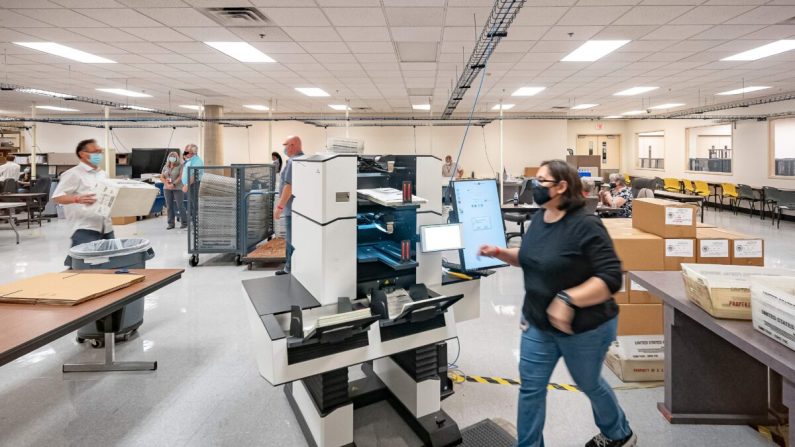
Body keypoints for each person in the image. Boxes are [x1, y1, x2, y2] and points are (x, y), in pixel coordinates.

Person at [478, 160, 636, 447]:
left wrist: (568, 298)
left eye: (542, 181)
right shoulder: (541, 217)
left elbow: (611, 277)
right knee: (531, 389)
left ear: (562, 187)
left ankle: (619, 432)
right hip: (538, 323)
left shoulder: (586, 225)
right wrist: (501, 253)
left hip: (585, 327)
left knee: (589, 383)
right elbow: (531, 256)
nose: (535, 187)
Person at [52, 139, 114, 265]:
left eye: (100, 151)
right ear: (82, 154)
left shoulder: (103, 174)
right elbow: (57, 197)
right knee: (82, 267)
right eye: (95, 152)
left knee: (109, 264)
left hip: (106, 226)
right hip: (84, 227)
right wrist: (77, 198)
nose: (99, 154)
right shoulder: (73, 174)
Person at [273, 136, 304, 276]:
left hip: (291, 208)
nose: (284, 148)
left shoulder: (293, 162)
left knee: (292, 240)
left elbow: (289, 186)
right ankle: (293, 267)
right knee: (295, 239)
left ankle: (290, 269)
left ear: (293, 145)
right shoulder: (303, 159)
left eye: (285, 145)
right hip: (298, 208)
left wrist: (279, 207)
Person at [161, 150, 188, 230]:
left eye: (174, 156)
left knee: (180, 205)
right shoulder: (165, 166)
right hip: (167, 188)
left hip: (177, 188)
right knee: (169, 206)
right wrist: (167, 184)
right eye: (171, 156)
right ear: (168, 158)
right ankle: (171, 224)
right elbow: (162, 177)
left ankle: (184, 223)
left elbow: (180, 177)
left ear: (177, 158)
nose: (172, 158)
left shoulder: (180, 165)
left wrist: (173, 184)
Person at [181, 143, 203, 217]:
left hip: (194, 185)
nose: (185, 152)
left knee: (195, 205)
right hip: (190, 185)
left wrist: (186, 185)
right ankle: (193, 224)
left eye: (187, 151)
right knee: (191, 205)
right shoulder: (190, 160)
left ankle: (197, 225)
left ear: (192, 152)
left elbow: (194, 175)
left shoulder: (197, 161)